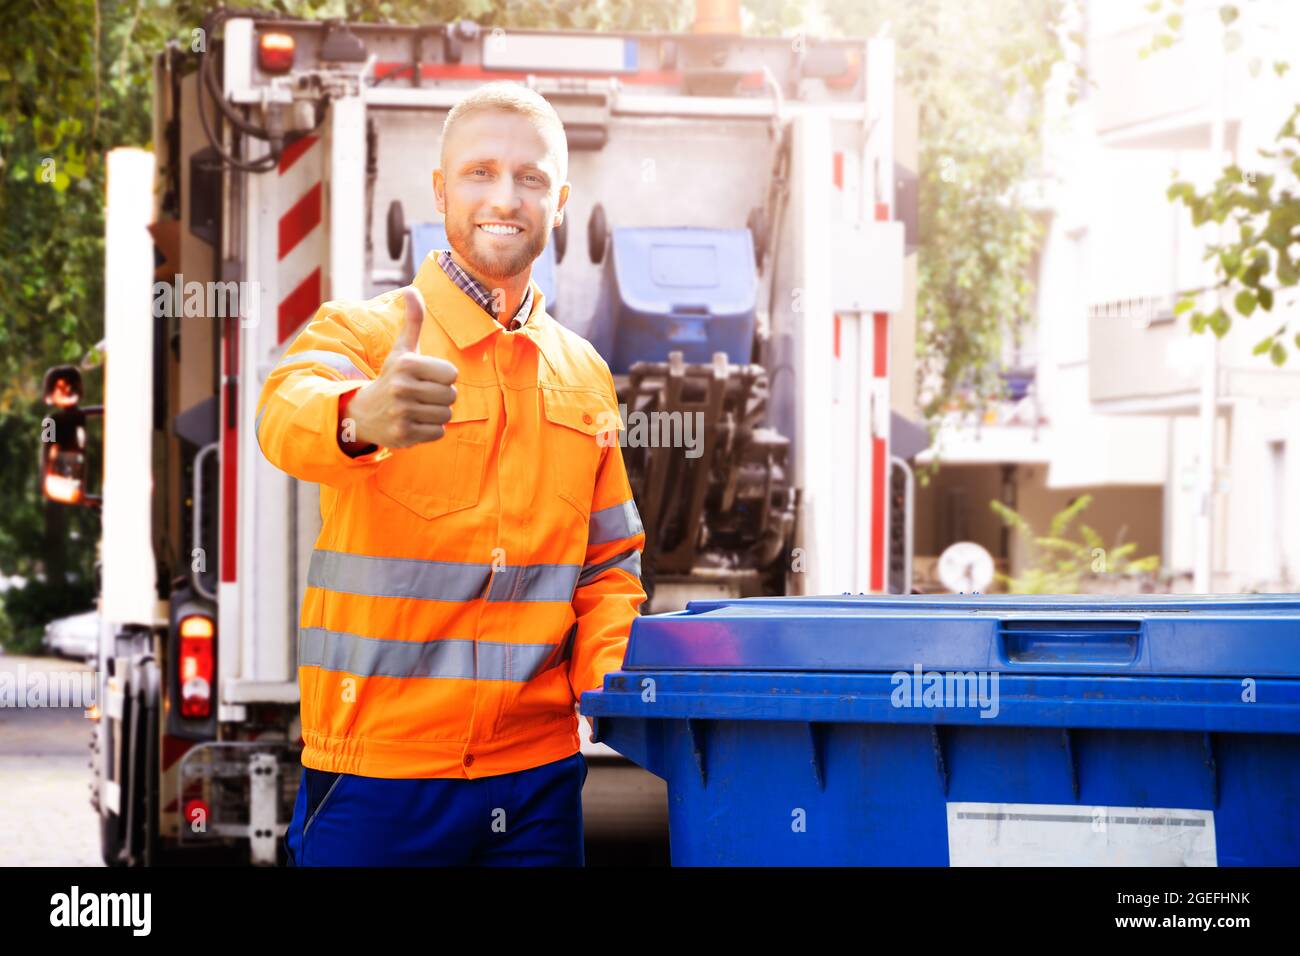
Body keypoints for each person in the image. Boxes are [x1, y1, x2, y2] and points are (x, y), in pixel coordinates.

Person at [257, 81, 646, 866]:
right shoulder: (366, 335)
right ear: (440, 188)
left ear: (559, 201)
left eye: (530, 179)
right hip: (377, 775)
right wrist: (357, 416)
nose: (505, 196)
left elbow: (609, 569)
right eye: (479, 172)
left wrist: (616, 694)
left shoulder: (585, 375)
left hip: (535, 782)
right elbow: (281, 412)